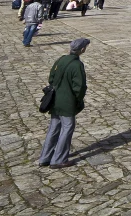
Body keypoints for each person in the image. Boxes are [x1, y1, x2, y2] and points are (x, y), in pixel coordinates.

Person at [38, 38, 89, 168]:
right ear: (82, 49)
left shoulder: (61, 59)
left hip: (55, 100)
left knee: (53, 128)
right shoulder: (77, 65)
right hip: (67, 102)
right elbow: (80, 87)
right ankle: (59, 159)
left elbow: (51, 78)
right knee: (67, 129)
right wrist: (78, 100)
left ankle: (45, 157)